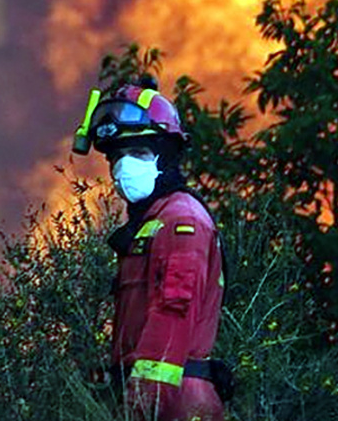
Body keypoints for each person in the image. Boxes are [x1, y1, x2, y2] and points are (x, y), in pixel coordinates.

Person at [73, 76, 228, 421]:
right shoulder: (151, 224)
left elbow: (172, 315)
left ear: (166, 155)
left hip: (175, 405)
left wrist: (143, 405)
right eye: (117, 156)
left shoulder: (181, 223)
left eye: (139, 152)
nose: (124, 166)